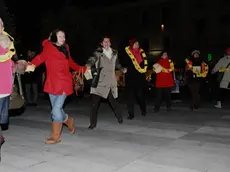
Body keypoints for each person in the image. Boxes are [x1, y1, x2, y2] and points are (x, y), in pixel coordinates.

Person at [26, 29, 87, 144]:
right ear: (53, 37)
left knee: (55, 109)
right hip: (52, 83)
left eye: (64, 36)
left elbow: (71, 63)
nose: (63, 38)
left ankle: (56, 137)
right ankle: (68, 120)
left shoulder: (66, 48)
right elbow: (40, 58)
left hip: (64, 82)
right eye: (60, 36)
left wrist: (82, 69)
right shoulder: (48, 48)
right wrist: (30, 65)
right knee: (57, 109)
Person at [86, 37, 125, 130]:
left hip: (110, 81)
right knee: (94, 104)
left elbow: (117, 64)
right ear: (102, 44)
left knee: (113, 101)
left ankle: (120, 118)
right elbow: (91, 60)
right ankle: (93, 124)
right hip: (99, 81)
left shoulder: (115, 53)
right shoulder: (98, 53)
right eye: (104, 41)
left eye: (108, 41)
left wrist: (122, 69)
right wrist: (88, 65)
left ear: (110, 43)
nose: (106, 43)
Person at [0, 17, 16, 160]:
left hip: (4, 87)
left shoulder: (7, 43)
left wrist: (21, 66)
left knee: (1, 119)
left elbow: (10, 64)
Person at [123, 39, 147, 119]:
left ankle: (143, 109)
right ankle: (131, 114)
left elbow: (145, 65)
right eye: (135, 44)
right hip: (130, 77)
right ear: (131, 45)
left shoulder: (141, 53)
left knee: (140, 95)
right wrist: (124, 68)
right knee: (130, 96)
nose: (137, 45)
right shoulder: (127, 53)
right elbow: (124, 63)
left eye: (138, 44)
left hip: (138, 78)